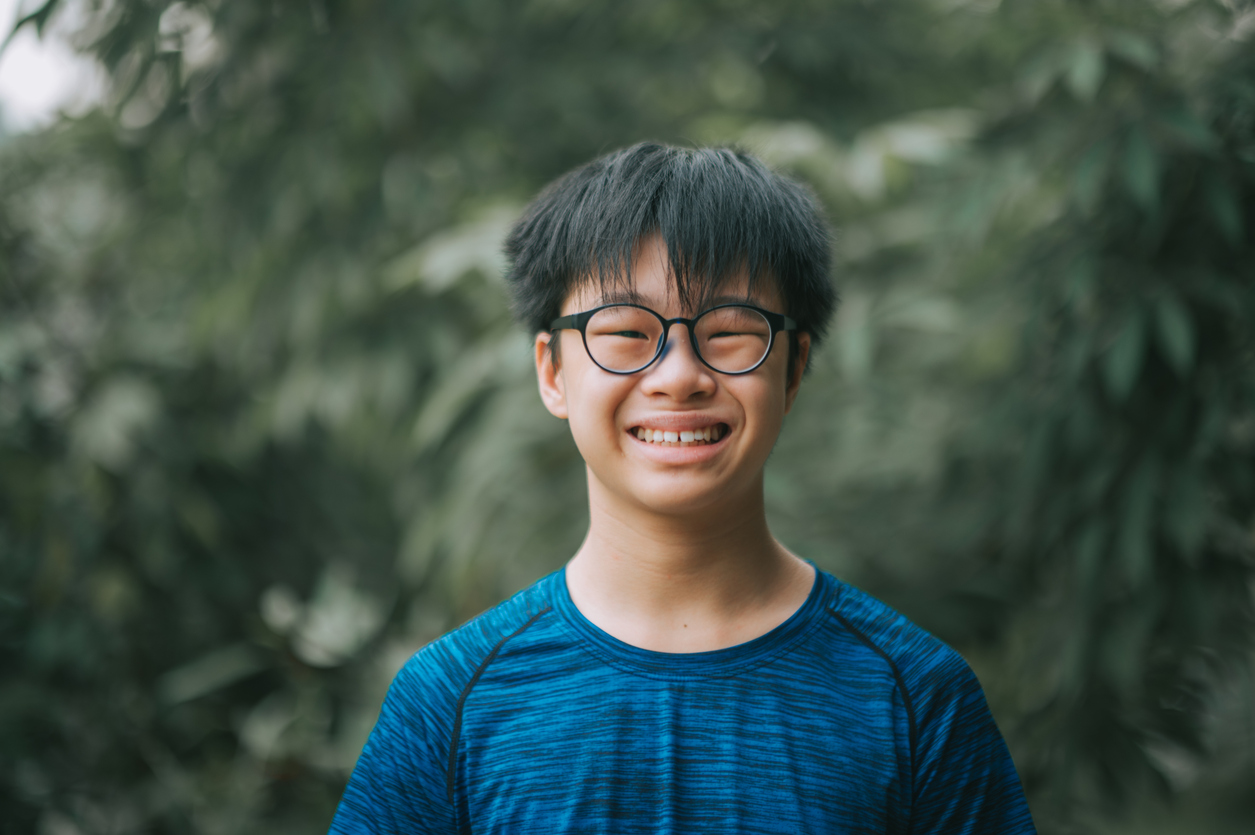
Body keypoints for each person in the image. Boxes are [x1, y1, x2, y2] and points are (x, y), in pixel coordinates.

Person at [327, 143, 1036, 834]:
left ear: (792, 369)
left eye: (729, 331)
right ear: (551, 372)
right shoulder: (451, 701)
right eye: (626, 331)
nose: (678, 375)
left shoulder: (913, 696)